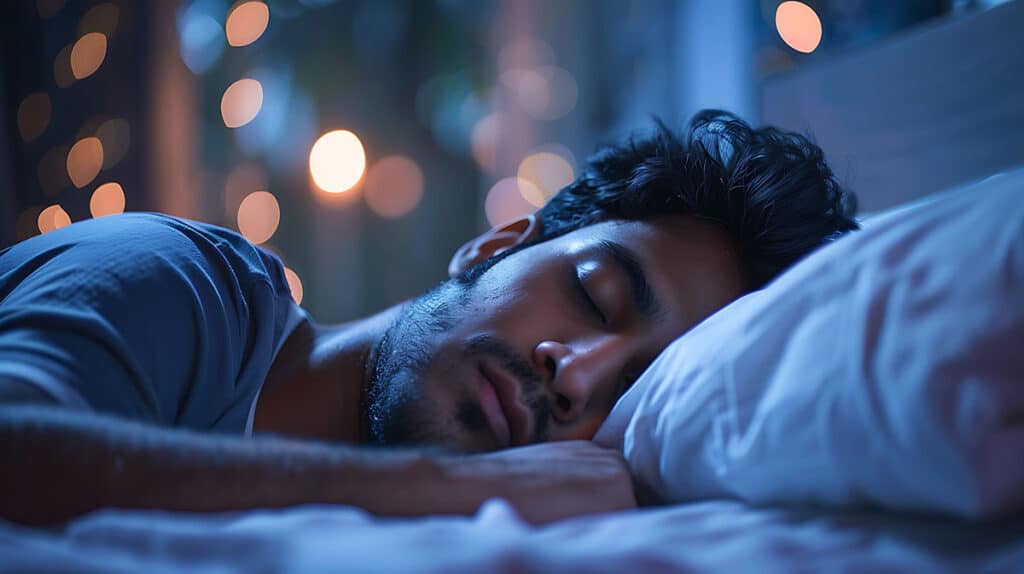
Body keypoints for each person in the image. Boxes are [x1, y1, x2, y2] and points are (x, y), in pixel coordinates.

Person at [0, 110, 857, 525]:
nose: (578, 375)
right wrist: (452, 486)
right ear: (496, 245)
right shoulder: (177, 279)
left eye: (633, 391)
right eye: (595, 295)